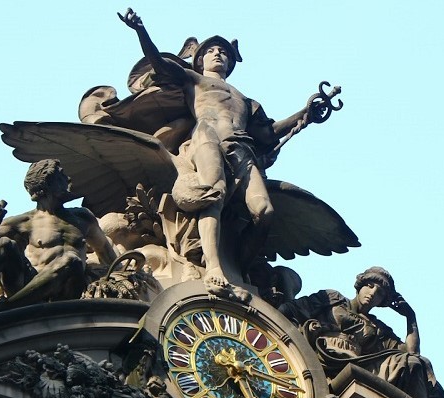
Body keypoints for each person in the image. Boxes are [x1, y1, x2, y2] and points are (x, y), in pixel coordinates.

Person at [119, 8, 314, 292]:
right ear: (200, 59)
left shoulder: (247, 101)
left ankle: (242, 270)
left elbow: (269, 133)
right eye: (211, 50)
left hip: (241, 147)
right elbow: (160, 64)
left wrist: (305, 113)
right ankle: (213, 267)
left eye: (223, 51)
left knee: (265, 211)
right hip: (206, 137)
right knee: (214, 194)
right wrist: (140, 31)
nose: (218, 54)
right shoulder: (194, 80)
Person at [0, 160, 117, 323]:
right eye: (62, 176)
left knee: (71, 259)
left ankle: (0, 308)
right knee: (5, 245)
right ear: (44, 187)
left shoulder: (83, 218)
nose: (69, 179)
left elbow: (108, 256)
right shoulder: (24, 222)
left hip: (67, 292)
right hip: (28, 291)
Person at [280, 267, 444, 398]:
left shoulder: (377, 328)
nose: (373, 293)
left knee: (417, 363)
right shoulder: (333, 298)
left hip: (359, 364)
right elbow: (292, 309)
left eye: (380, 293)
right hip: (324, 353)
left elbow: (412, 353)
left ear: (382, 302)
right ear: (360, 285)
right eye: (370, 286)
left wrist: (411, 318)